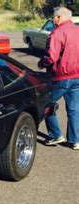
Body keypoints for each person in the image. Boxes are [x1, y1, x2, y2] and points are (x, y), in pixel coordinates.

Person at [38, 7, 79, 150]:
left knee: (46, 104)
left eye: (53, 18)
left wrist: (41, 63)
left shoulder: (57, 32)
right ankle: (75, 140)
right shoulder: (78, 30)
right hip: (77, 77)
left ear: (59, 17)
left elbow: (51, 57)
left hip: (61, 77)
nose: (53, 20)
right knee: (74, 109)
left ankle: (55, 135)